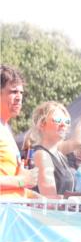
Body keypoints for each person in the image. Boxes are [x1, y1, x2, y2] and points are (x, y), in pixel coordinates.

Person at [29, 98, 81, 198]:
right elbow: (49, 198)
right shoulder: (42, 155)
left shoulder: (57, 151)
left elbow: (79, 141)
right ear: (42, 124)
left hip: (63, 208)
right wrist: (78, 199)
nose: (64, 125)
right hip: (52, 209)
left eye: (67, 121)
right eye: (58, 120)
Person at [0, 65, 38, 198]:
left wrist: (37, 198)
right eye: (13, 92)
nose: (19, 97)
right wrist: (22, 181)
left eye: (21, 93)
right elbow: (19, 181)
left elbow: (12, 182)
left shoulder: (6, 127)